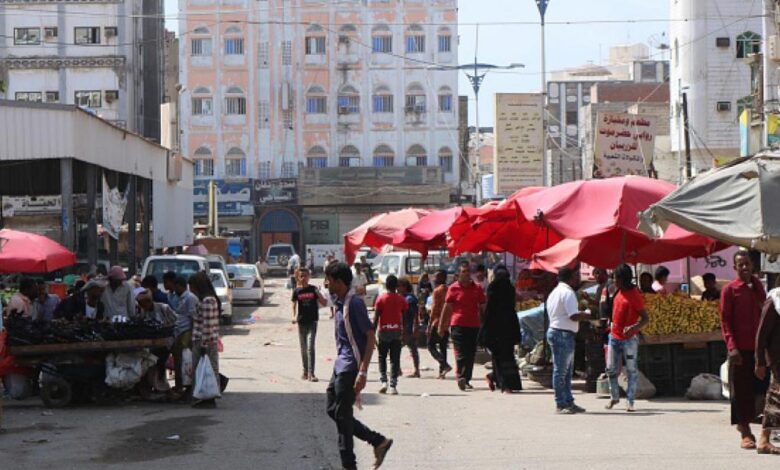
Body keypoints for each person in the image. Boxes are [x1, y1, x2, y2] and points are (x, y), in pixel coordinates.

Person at [325, 262, 393, 470]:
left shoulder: (354, 304)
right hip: (340, 364)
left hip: (351, 366)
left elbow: (370, 337)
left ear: (339, 282)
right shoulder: (339, 301)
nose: (327, 283)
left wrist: (362, 372)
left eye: (329, 280)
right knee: (333, 410)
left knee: (343, 416)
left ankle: (350, 465)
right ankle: (377, 440)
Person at [720, 250, 768, 450]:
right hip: (739, 350)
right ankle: (745, 431)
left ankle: (764, 431)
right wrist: (732, 347)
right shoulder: (730, 290)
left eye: (747, 263)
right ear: (735, 268)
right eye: (741, 264)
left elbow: (766, 314)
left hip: (759, 349)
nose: (745, 267)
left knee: (762, 390)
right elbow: (725, 321)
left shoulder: (758, 287)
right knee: (741, 392)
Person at [546, 266, 591, 414]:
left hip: (557, 332)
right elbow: (573, 315)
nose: (578, 279)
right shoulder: (568, 293)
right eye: (576, 276)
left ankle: (568, 401)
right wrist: (586, 314)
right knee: (561, 371)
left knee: (565, 371)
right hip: (563, 334)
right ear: (570, 278)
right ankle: (561, 403)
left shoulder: (554, 292)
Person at [605, 264, 649, 412]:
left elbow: (645, 318)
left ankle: (630, 401)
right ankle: (614, 397)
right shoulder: (617, 291)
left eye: (615, 278)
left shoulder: (634, 295)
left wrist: (633, 327)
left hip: (629, 339)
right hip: (614, 336)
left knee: (631, 370)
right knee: (611, 369)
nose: (613, 281)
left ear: (622, 279)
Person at [439, 261, 487, 391]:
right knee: (460, 352)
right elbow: (447, 307)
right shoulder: (453, 288)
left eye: (468, 272)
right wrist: (441, 325)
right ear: (458, 274)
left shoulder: (477, 288)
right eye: (463, 272)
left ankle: (466, 379)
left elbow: (483, 307)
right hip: (458, 324)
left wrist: (486, 323)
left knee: (470, 353)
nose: (466, 275)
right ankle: (460, 376)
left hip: (474, 325)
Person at [479, 265, 522, 393]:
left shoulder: (506, 288)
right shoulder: (499, 288)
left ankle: (496, 379)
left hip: (503, 327)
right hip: (498, 328)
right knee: (502, 357)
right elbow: (490, 310)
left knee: (504, 357)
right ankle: (505, 384)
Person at [755, 279, 780, 455]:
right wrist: (760, 362)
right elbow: (761, 334)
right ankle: (763, 440)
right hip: (778, 358)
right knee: (775, 397)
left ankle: (764, 439)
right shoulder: (775, 299)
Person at [189, 271, 221, 408]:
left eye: (192, 287)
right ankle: (205, 396)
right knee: (205, 369)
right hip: (206, 341)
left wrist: (203, 346)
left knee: (205, 369)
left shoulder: (207, 301)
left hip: (204, 342)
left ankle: (208, 397)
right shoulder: (208, 299)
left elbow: (207, 326)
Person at [291, 267, 328, 382]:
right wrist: (293, 316)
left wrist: (319, 293)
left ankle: (312, 373)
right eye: (301, 276)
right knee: (303, 348)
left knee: (310, 346)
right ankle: (305, 371)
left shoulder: (313, 289)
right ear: (298, 277)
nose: (303, 278)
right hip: (301, 322)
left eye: (305, 276)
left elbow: (324, 302)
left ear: (309, 277)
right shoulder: (297, 291)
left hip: (312, 321)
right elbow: (293, 304)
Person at [373, 275, 406, 395]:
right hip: (397, 332)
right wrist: (405, 333)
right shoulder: (401, 299)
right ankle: (393, 385)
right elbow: (405, 317)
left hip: (383, 332)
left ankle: (383, 382)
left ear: (386, 285)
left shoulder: (381, 299)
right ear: (396, 286)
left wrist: (372, 334)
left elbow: (376, 318)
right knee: (395, 359)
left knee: (382, 357)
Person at [172, 275, 197, 394]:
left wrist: (193, 335)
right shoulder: (180, 298)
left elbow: (193, 317)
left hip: (186, 332)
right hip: (179, 331)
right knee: (178, 359)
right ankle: (180, 385)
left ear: (180, 286)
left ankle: (186, 386)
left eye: (175, 287)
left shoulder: (190, 298)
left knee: (185, 360)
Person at [427, 270, 453, 379]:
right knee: (443, 346)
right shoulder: (449, 290)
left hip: (437, 321)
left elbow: (434, 309)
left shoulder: (437, 291)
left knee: (430, 345)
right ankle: (442, 372)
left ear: (442, 278)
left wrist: (429, 324)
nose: (434, 278)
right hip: (447, 322)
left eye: (437, 276)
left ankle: (444, 364)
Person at [398, 278, 421, 378]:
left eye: (399, 286)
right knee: (413, 349)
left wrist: (415, 326)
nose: (397, 288)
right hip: (406, 327)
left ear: (404, 287)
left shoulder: (409, 299)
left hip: (407, 327)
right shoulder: (404, 297)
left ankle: (398, 370)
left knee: (397, 348)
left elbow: (414, 314)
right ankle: (416, 370)